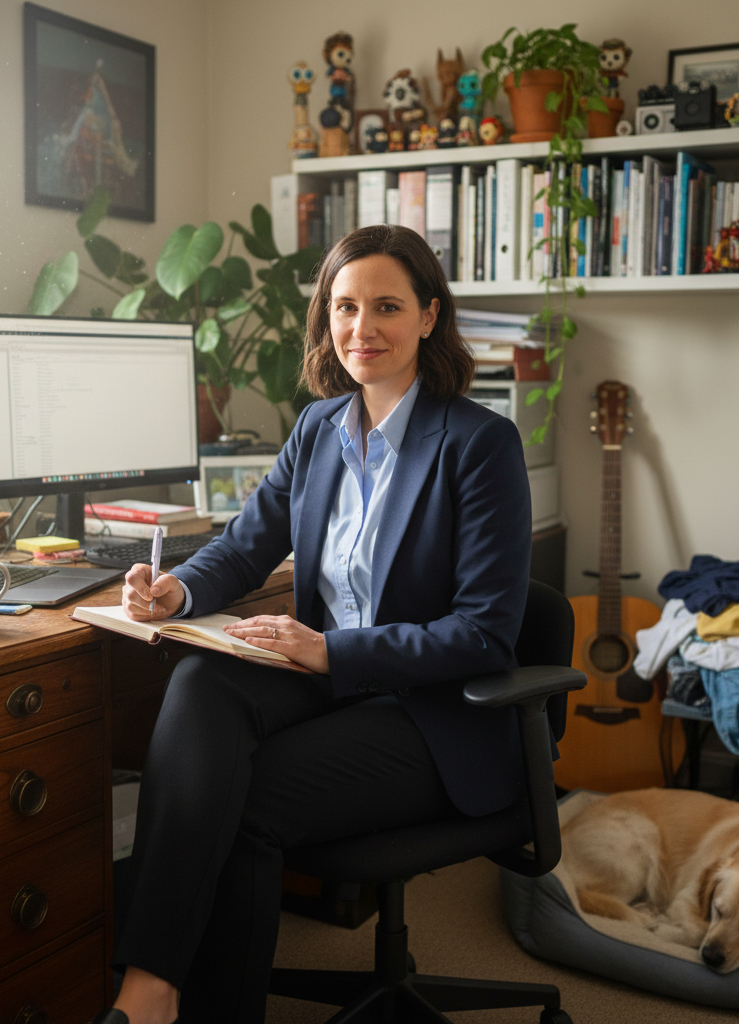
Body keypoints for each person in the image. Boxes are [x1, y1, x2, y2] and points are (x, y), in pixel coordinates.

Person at [93, 224, 532, 1024]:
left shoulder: (479, 444)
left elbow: (485, 633)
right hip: (331, 685)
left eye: (387, 307)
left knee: (247, 800)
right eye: (345, 307)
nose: (362, 328)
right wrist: (175, 594)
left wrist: (333, 651)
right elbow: (243, 548)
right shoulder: (318, 430)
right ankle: (150, 985)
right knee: (202, 678)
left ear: (429, 316)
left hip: (434, 716)